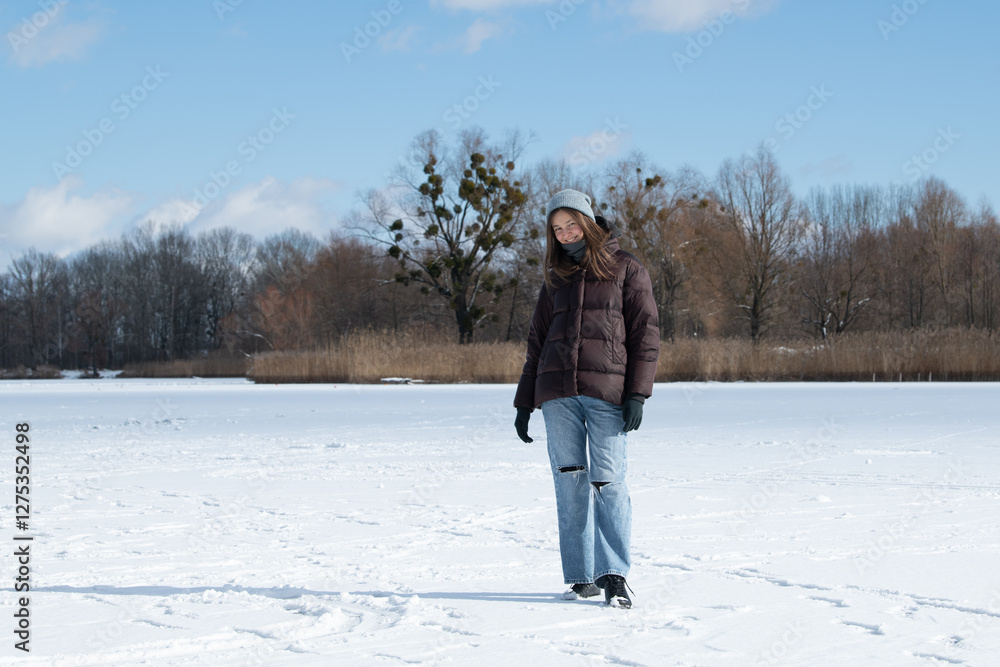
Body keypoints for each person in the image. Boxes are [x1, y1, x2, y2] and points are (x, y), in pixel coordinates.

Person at [513, 189, 660, 609]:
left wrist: (637, 393)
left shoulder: (626, 268)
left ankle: (613, 575)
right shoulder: (555, 278)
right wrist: (524, 401)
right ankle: (581, 578)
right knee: (570, 481)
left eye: (571, 224)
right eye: (557, 229)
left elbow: (646, 334)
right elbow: (537, 341)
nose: (565, 234)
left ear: (589, 222)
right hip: (557, 395)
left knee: (608, 481)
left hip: (606, 394)